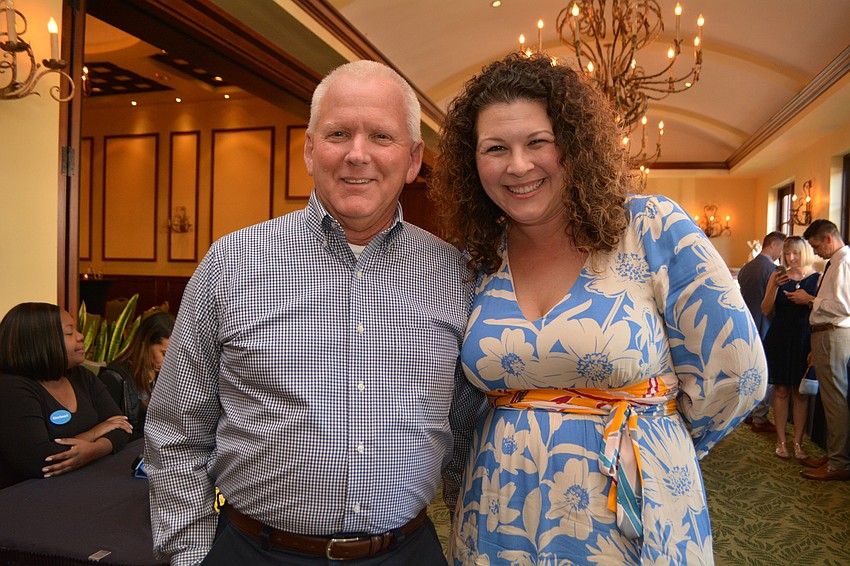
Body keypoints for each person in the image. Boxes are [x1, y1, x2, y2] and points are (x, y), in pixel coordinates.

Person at [428, 53, 767, 564]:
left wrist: (660, 439)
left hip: (627, 510)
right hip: (498, 511)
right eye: (496, 148)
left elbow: (738, 375)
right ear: (472, 162)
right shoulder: (477, 256)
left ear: (574, 145)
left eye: (537, 142)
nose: (518, 165)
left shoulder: (650, 227)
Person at [144, 60, 486, 565]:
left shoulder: (455, 275)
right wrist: (190, 557)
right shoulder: (232, 263)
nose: (357, 154)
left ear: (414, 159)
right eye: (338, 133)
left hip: (405, 552)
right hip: (254, 551)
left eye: (381, 137)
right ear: (309, 149)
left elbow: (464, 436)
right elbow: (176, 429)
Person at [0, 302, 132, 489]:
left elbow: (121, 426)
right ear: (40, 342)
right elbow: (41, 460)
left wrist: (93, 450)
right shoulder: (11, 388)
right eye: (70, 333)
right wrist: (94, 433)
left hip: (79, 486)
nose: (81, 336)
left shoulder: (81, 376)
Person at [787, 219, 850, 481]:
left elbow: (844, 306)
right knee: (831, 398)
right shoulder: (834, 263)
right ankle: (837, 455)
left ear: (828, 239)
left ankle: (838, 463)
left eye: (815, 246)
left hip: (834, 334)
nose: (815, 252)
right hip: (825, 336)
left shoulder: (844, 263)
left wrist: (810, 300)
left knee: (835, 400)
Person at [760, 236, 819, 459]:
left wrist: (809, 298)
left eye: (795, 253)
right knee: (782, 390)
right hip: (780, 337)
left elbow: (819, 311)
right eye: (787, 253)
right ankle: (781, 441)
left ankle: (798, 443)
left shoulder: (817, 277)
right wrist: (774, 287)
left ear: (804, 253)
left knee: (800, 393)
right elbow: (765, 310)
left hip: (804, 337)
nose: (791, 258)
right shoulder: (777, 276)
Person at [738, 231, 786, 433]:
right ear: (774, 245)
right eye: (782, 249)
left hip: (746, 323)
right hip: (765, 324)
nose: (781, 254)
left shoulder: (746, 268)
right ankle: (759, 416)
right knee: (764, 372)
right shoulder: (772, 270)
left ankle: (747, 413)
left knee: (749, 370)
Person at [99, 310, 174, 440]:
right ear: (144, 344)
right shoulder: (114, 378)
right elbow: (109, 434)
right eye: (165, 354)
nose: (170, 361)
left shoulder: (166, 375)